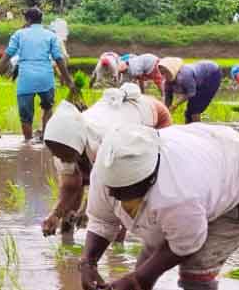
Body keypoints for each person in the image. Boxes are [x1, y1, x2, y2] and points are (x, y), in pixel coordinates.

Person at [78, 124, 239, 290]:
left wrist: (134, 279)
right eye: (112, 189)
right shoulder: (108, 171)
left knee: (197, 268)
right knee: (151, 251)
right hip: (212, 156)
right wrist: (88, 262)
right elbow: (102, 221)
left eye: (125, 191)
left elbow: (186, 245)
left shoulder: (179, 195)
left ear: (149, 179)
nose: (115, 195)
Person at [42, 84, 172, 238]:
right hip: (115, 116)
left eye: (63, 154)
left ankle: (124, 244)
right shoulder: (63, 144)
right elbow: (70, 186)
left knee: (130, 188)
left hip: (153, 116)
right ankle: (67, 236)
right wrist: (55, 215)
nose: (59, 157)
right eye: (54, 152)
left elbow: (117, 190)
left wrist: (87, 210)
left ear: (76, 146)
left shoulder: (106, 144)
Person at [0, 7, 74, 142]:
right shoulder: (50, 35)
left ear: (27, 20)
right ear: (41, 20)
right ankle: (45, 139)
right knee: (47, 108)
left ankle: (28, 142)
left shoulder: (19, 34)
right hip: (46, 78)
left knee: (25, 117)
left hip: (26, 79)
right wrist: (68, 80)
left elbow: (7, 55)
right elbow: (58, 58)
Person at [158, 57, 223, 124]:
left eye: (166, 72)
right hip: (198, 79)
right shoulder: (166, 82)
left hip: (212, 74)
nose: (164, 75)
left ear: (172, 69)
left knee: (195, 110)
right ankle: (189, 128)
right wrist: (165, 111)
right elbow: (168, 98)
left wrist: (175, 105)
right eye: (162, 73)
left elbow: (191, 93)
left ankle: (197, 128)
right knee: (188, 113)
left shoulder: (185, 76)